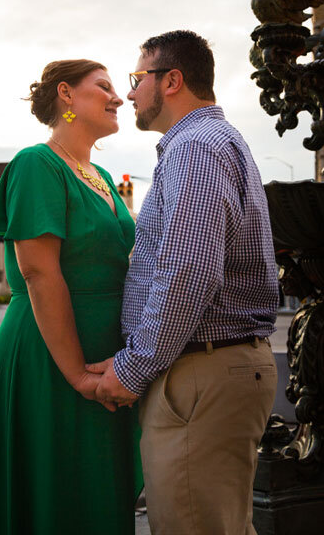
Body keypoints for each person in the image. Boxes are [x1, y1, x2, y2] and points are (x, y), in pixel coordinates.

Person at [92, 30, 280, 535]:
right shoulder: (209, 144)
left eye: (136, 78)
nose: (129, 93)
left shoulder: (195, 148)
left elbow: (188, 273)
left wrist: (131, 370)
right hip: (211, 369)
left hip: (203, 374)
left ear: (171, 80)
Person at [0, 59, 141, 535]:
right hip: (52, 353)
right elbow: (38, 271)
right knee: (54, 492)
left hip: (105, 357)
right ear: (67, 95)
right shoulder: (37, 163)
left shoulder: (101, 175)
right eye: (104, 87)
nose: (118, 97)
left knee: (95, 492)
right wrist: (77, 372)